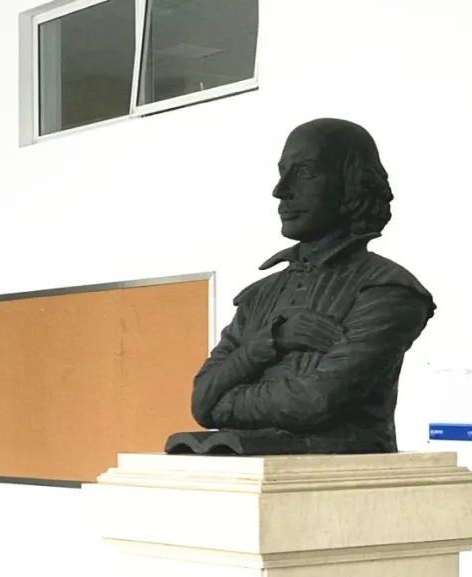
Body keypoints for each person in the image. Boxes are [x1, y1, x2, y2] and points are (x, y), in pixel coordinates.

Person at [167, 118, 435, 455]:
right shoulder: (259, 296)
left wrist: (227, 403)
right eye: (282, 172)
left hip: (343, 472)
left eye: (305, 173)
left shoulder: (388, 291)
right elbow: (202, 400)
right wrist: (269, 341)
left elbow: (315, 401)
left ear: (351, 183)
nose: (281, 190)